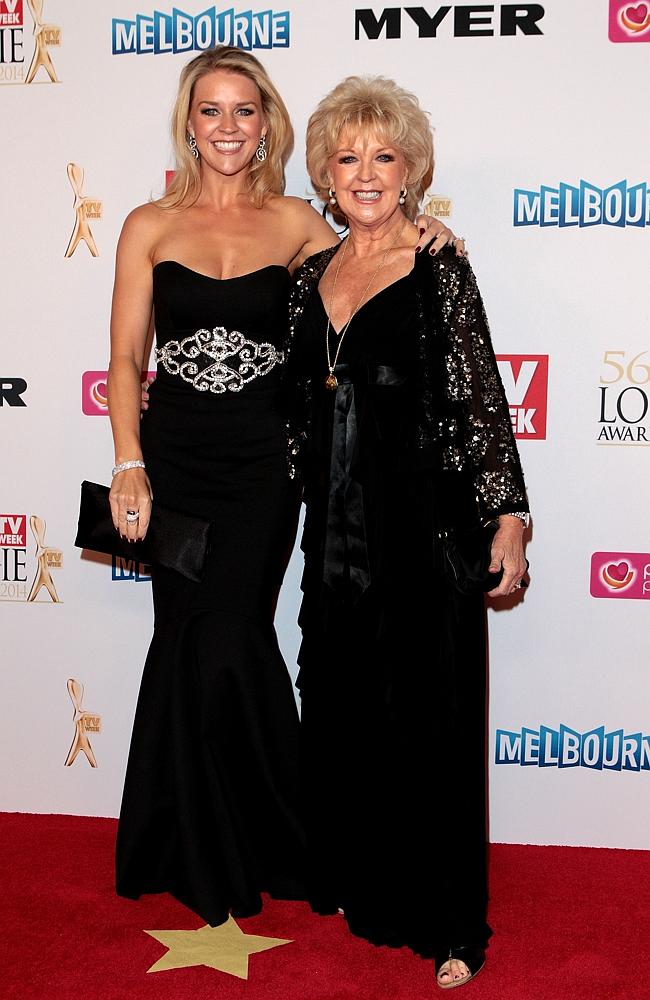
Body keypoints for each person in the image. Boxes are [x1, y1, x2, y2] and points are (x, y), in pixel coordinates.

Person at [107, 46, 459, 927]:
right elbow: (123, 359)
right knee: (186, 642)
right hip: (174, 460)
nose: (228, 126)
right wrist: (128, 461)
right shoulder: (148, 224)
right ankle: (192, 838)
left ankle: (263, 834)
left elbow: (370, 261)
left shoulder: (301, 219)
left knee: (231, 638)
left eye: (245, 110)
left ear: (268, 122)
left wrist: (431, 232)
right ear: (189, 123)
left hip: (266, 467)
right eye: (211, 110)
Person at [283, 76, 529, 989]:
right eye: (348, 158)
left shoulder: (440, 267)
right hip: (335, 533)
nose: (366, 173)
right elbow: (294, 407)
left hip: (423, 527)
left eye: (384, 156)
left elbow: (479, 398)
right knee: (350, 708)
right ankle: (367, 880)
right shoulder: (312, 274)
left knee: (435, 715)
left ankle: (453, 921)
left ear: (411, 169)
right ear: (328, 174)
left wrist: (506, 516)